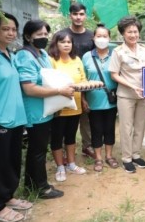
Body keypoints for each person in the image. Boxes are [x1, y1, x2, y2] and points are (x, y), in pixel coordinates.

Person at [0, 13, 33, 222]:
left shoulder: (9, 54)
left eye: (13, 29)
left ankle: (8, 196)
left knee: (12, 162)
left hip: (15, 120)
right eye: (5, 29)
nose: (11, 33)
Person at [15, 20, 72, 198]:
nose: (43, 37)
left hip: (45, 110)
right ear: (27, 36)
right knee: (37, 151)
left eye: (46, 34)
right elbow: (29, 88)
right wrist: (58, 91)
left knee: (38, 150)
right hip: (35, 112)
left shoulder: (42, 55)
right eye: (39, 34)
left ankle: (32, 185)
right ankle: (42, 188)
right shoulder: (25, 56)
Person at [109, 16, 145, 173]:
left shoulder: (144, 50)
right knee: (126, 127)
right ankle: (126, 158)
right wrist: (132, 85)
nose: (133, 34)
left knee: (140, 126)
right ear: (123, 34)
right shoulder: (118, 52)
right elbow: (114, 74)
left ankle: (136, 154)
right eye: (129, 32)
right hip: (126, 95)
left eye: (135, 31)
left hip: (143, 94)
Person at [48, 31, 87, 181]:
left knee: (71, 136)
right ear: (56, 44)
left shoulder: (77, 60)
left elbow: (83, 80)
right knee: (57, 137)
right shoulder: (51, 60)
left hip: (75, 105)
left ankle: (71, 163)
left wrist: (83, 97)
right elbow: (48, 81)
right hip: (57, 106)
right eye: (62, 42)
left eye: (69, 42)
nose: (66, 45)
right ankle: (60, 167)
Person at [82, 24, 118, 172]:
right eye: (99, 36)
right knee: (96, 130)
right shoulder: (86, 56)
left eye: (105, 36)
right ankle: (98, 158)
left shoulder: (115, 55)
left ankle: (109, 156)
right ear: (93, 38)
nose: (102, 39)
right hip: (93, 101)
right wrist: (83, 99)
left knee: (109, 129)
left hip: (111, 100)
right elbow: (82, 79)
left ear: (109, 38)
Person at [62, 2, 95, 159]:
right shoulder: (62, 35)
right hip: (65, 83)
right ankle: (64, 149)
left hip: (85, 82)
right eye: (75, 14)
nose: (78, 17)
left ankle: (87, 146)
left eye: (81, 14)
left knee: (86, 115)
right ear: (70, 15)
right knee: (65, 116)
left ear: (85, 16)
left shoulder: (91, 36)